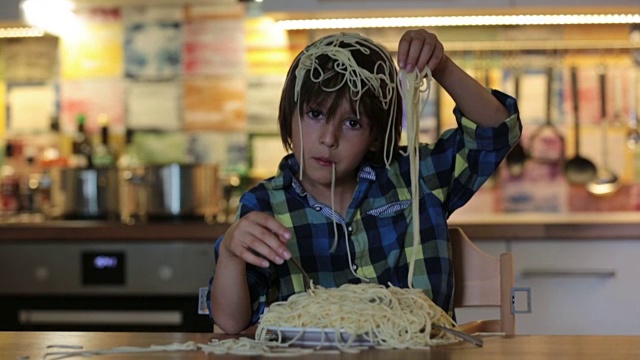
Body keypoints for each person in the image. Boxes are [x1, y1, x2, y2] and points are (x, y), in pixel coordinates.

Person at [208, 29, 521, 335]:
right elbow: (232, 322)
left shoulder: (417, 175)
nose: (328, 139)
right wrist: (232, 255)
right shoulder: (264, 205)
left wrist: (441, 66)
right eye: (315, 114)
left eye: (352, 122)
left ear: (375, 137)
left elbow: (496, 131)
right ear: (289, 116)